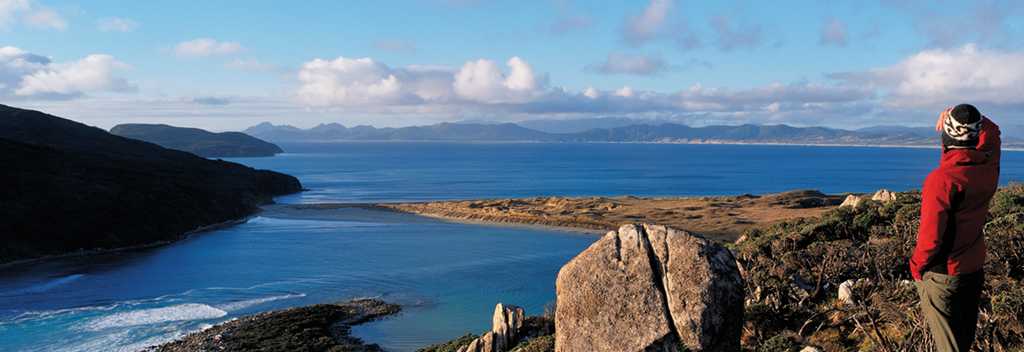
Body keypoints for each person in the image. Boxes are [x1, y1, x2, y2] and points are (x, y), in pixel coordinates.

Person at [910, 103, 1001, 352]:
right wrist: (963, 115)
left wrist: (916, 269)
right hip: (973, 269)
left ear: (945, 135)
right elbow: (992, 132)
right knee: (963, 342)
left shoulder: (941, 180)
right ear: (976, 134)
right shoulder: (989, 166)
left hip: (943, 275)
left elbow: (930, 238)